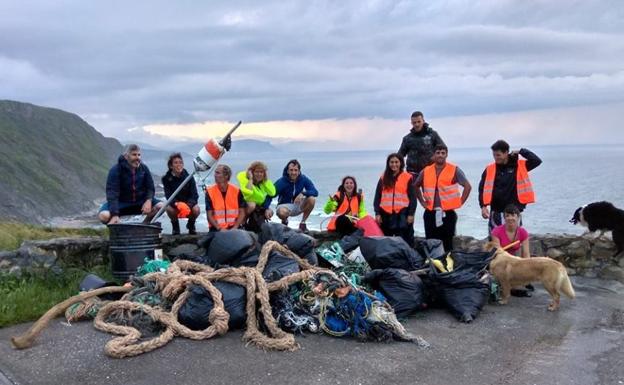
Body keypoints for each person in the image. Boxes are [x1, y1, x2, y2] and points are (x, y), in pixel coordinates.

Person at [415, 145, 472, 252]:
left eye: (443, 153)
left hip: (448, 213)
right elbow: (415, 185)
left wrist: (460, 202)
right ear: (434, 155)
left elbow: (467, 186)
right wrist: (422, 202)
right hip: (430, 212)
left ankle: (447, 265)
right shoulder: (426, 171)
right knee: (431, 242)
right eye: (438, 152)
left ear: (446, 154)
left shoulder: (454, 170)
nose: (440, 155)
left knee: (448, 243)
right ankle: (433, 265)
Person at [478, 140, 542, 234]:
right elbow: (482, 188)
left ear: (506, 153)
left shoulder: (519, 166)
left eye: (498, 155)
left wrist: (521, 151)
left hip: (514, 212)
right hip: (496, 211)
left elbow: (536, 161)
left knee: (514, 240)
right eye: (494, 155)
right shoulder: (490, 169)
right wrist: (483, 206)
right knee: (495, 240)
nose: (496, 158)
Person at [98, 144, 163, 224]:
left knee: (161, 206)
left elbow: (150, 188)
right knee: (103, 216)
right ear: (126, 156)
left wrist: (148, 200)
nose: (137, 158)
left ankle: (144, 225)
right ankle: (118, 228)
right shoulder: (115, 170)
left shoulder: (144, 169)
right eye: (134, 155)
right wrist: (114, 214)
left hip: (140, 202)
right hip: (121, 203)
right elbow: (112, 193)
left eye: (139, 155)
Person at [373, 153, 417, 246]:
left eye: (396, 162)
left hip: (402, 214)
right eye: (391, 162)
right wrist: (377, 213)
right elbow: (377, 197)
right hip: (385, 215)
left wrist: (411, 214)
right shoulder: (383, 177)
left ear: (401, 163)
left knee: (405, 241)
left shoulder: (407, 177)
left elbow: (413, 198)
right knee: (385, 241)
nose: (394, 164)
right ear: (388, 164)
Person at [491, 203, 534, 296]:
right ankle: (511, 287)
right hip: (500, 262)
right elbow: (498, 253)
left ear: (518, 217)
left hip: (514, 262)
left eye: (513, 215)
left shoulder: (523, 232)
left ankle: (515, 286)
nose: (510, 218)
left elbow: (526, 254)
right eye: (507, 216)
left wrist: (526, 271)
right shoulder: (496, 231)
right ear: (504, 218)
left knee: (523, 274)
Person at [275, 159, 318, 233]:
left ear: (299, 171)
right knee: (281, 212)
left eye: (296, 170)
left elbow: (315, 192)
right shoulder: (281, 181)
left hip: (298, 205)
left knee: (312, 199)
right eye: (291, 170)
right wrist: (266, 208)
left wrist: (303, 193)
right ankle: (284, 221)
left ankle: (302, 224)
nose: (293, 172)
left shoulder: (303, 179)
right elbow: (271, 194)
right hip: (285, 206)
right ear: (287, 171)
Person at [397, 111, 446, 176]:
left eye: (419, 121)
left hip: (430, 171)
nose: (417, 124)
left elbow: (443, 148)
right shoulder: (407, 138)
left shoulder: (432, 135)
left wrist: (435, 157)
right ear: (411, 123)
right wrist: (397, 170)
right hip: (412, 173)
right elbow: (399, 156)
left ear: (423, 121)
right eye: (414, 122)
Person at [161, 153, 200, 235]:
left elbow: (194, 195)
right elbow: (168, 195)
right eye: (176, 163)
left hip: (188, 205)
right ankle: (175, 227)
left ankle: (191, 225)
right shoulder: (166, 179)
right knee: (168, 208)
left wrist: (187, 206)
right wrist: (177, 204)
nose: (179, 164)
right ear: (171, 166)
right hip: (176, 205)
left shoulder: (189, 177)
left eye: (180, 162)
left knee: (196, 209)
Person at [236, 161, 276, 231]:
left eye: (261, 172)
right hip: (243, 204)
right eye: (257, 172)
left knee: (270, 211)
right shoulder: (246, 179)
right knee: (252, 205)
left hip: (258, 205)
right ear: (252, 172)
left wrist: (267, 208)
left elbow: (272, 193)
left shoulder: (262, 183)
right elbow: (247, 192)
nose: (259, 174)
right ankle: (242, 223)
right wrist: (250, 179)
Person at [206, 164, 247, 231]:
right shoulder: (210, 192)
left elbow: (242, 212)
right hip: (216, 229)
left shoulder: (236, 191)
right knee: (203, 242)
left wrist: (235, 227)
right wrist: (219, 228)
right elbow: (209, 215)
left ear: (226, 176)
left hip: (234, 228)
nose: (215, 175)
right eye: (215, 172)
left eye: (218, 173)